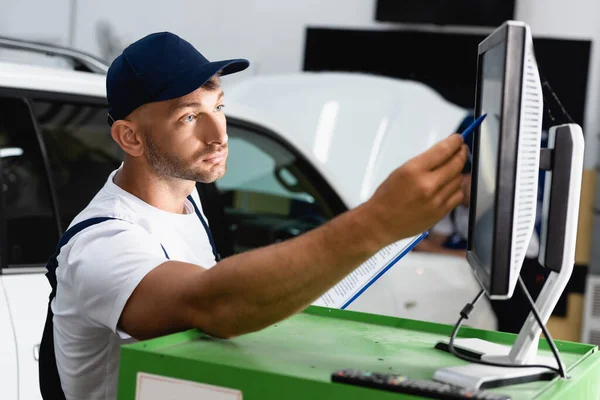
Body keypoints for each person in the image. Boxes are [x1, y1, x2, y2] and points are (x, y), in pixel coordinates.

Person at [38, 32, 469, 400]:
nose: (219, 134)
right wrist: (375, 222)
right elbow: (211, 304)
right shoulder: (104, 243)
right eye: (190, 116)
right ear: (129, 136)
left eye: (218, 107)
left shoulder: (187, 202)